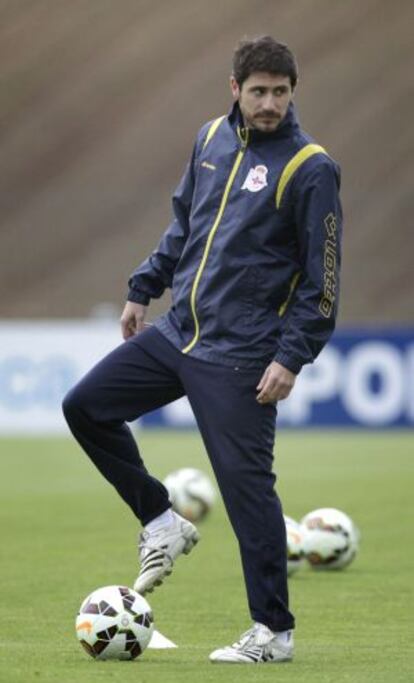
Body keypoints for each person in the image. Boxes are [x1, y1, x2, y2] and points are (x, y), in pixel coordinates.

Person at [63, 35, 342, 664]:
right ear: (235, 89)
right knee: (84, 407)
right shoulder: (210, 138)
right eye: (258, 91)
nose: (269, 103)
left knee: (247, 493)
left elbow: (324, 281)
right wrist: (143, 288)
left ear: (293, 92)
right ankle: (160, 518)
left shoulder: (310, 167)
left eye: (280, 91)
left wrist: (291, 355)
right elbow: (183, 224)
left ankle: (273, 633)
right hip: (175, 333)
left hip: (244, 355)